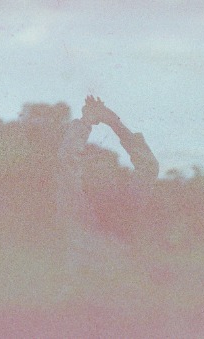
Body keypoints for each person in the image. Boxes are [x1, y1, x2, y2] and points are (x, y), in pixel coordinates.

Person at [55, 95, 159, 288]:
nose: (103, 179)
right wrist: (86, 122)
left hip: (122, 300)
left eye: (107, 172)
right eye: (95, 172)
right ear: (85, 177)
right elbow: (67, 160)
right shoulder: (78, 209)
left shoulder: (128, 203)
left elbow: (148, 167)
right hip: (82, 302)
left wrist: (114, 123)